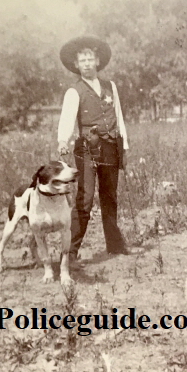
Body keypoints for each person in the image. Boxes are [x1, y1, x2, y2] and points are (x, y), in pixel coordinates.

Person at [58, 36, 129, 264]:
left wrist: (124, 147)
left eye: (90, 59)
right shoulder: (74, 91)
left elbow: (118, 117)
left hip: (110, 147)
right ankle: (70, 253)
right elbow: (67, 118)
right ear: (77, 65)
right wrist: (63, 140)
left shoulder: (111, 87)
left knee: (110, 196)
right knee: (85, 198)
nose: (87, 63)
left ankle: (115, 246)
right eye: (82, 60)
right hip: (87, 149)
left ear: (97, 61)